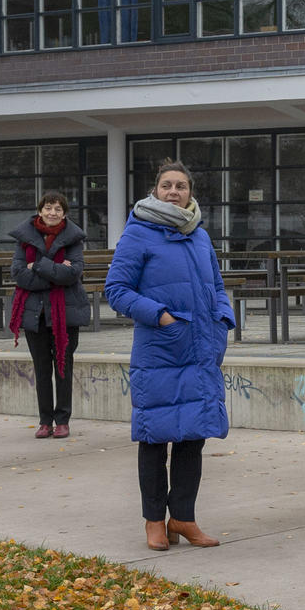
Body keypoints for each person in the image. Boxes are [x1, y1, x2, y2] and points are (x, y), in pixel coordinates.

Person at [104, 160, 232, 552]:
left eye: (181, 186)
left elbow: (217, 283)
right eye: (166, 185)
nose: (174, 191)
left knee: (193, 438)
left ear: (190, 192)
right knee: (155, 439)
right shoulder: (138, 233)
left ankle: (184, 517)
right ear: (154, 191)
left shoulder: (200, 236)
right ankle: (154, 521)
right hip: (161, 351)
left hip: (201, 350)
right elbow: (117, 289)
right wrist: (161, 317)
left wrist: (224, 317)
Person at [9, 191, 90, 439]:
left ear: (64, 213)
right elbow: (18, 274)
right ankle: (45, 421)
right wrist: (55, 273)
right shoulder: (25, 238)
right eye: (48, 208)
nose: (52, 213)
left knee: (63, 368)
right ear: (40, 210)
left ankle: (62, 420)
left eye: (57, 209)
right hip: (36, 314)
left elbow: (73, 274)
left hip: (65, 314)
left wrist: (39, 266)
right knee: (42, 369)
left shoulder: (73, 239)